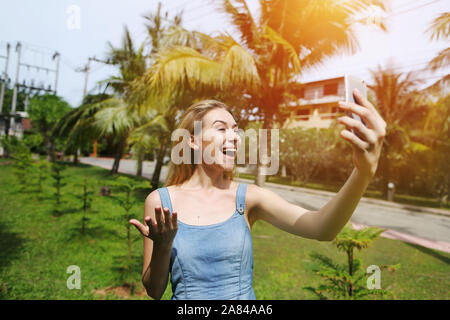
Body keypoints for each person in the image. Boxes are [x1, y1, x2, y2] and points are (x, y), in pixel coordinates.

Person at [129, 93, 386, 300]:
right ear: (193, 142)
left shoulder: (249, 198)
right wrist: (163, 247)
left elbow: (322, 228)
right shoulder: (160, 201)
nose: (235, 137)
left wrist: (363, 172)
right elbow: (154, 290)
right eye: (221, 129)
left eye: (236, 130)